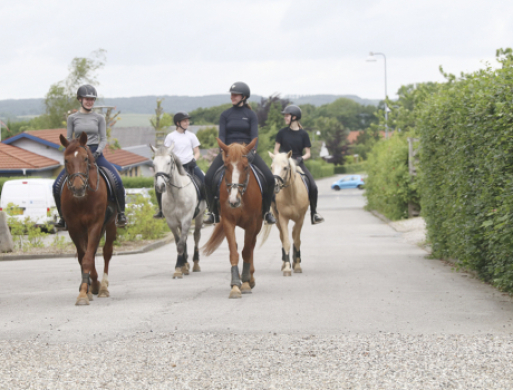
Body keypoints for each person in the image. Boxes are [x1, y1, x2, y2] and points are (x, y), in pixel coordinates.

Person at [53, 84, 127, 228]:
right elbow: (68, 139)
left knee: (117, 180)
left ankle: (121, 214)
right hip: (79, 154)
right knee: (56, 185)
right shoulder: (72, 118)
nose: (89, 102)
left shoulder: (99, 118)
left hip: (95, 153)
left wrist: (98, 150)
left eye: (92, 99)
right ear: (80, 99)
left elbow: (103, 138)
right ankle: (62, 217)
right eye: (87, 99)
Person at [204, 82, 276, 225]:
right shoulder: (225, 114)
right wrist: (224, 151)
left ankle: (266, 212)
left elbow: (254, 136)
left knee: (270, 178)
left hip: (246, 153)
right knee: (208, 178)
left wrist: (252, 151)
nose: (232, 97)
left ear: (243, 97)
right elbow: (222, 135)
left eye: (235, 95)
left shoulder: (251, 115)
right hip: (229, 153)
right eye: (231, 94)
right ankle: (212, 212)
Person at [274, 105, 324, 225]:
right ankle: (270, 212)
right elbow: (276, 150)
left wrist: (300, 158)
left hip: (298, 163)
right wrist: (281, 158)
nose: (285, 117)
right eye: (285, 116)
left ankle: (314, 213)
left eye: (287, 115)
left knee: (313, 186)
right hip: (283, 163)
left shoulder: (304, 134)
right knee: (272, 182)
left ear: (294, 117)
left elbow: (308, 153)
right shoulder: (281, 133)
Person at [153, 112, 204, 219]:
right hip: (175, 168)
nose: (187, 123)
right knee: (158, 184)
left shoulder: (192, 136)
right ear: (178, 123)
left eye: (187, 120)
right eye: (184, 121)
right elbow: (165, 153)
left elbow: (197, 152)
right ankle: (161, 210)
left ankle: (206, 207)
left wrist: (194, 159)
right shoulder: (170, 136)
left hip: (190, 164)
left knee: (204, 180)